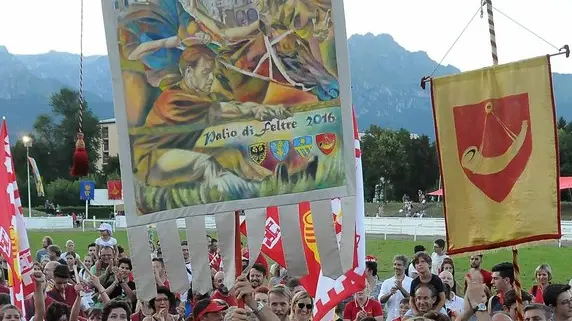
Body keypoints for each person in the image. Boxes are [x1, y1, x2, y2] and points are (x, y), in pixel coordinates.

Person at [379, 255, 412, 321]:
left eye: (399, 265)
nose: (396, 267)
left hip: (407, 319)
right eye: (395, 264)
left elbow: (413, 299)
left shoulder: (411, 282)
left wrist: (401, 289)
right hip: (390, 318)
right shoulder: (387, 282)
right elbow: (381, 300)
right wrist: (390, 293)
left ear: (405, 266)